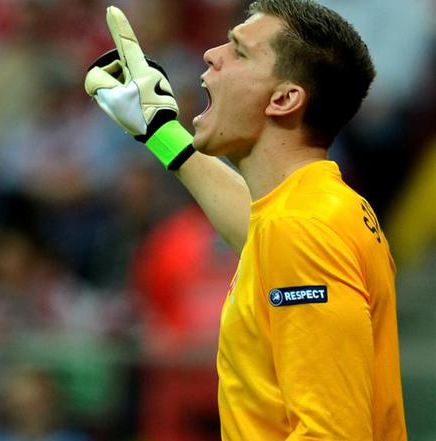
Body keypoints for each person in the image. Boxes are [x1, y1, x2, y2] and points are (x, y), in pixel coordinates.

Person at [84, 1, 406, 439]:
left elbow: (334, 433)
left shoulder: (302, 227)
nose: (212, 54)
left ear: (284, 98)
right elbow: (255, 230)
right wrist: (161, 132)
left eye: (240, 51)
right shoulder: (315, 208)